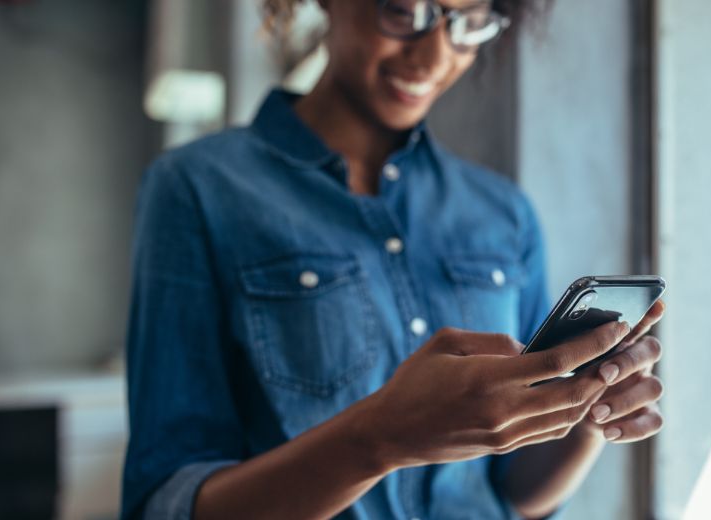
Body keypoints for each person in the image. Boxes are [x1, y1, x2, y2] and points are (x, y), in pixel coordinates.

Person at [121, 0, 666, 518]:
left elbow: (514, 494)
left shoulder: (502, 212)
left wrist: (588, 412)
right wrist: (380, 438)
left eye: (466, 24)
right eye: (402, 11)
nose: (432, 57)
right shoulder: (198, 189)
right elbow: (167, 502)